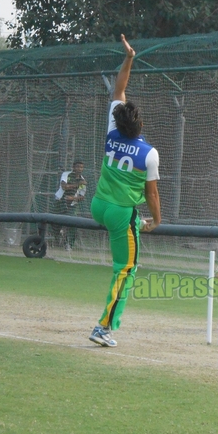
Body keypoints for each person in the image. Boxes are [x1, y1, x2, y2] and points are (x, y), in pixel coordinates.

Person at [88, 34, 161, 347]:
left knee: (123, 257)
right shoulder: (150, 153)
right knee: (126, 269)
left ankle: (105, 325)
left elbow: (119, 88)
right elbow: (151, 194)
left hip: (98, 205)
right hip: (120, 213)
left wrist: (129, 58)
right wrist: (155, 221)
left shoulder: (111, 131)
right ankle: (103, 328)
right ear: (140, 125)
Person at [54, 160, 88, 250]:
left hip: (72, 205)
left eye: (81, 167)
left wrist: (72, 198)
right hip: (60, 201)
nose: (79, 169)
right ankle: (58, 240)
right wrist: (77, 184)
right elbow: (64, 186)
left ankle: (69, 245)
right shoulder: (66, 174)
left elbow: (81, 196)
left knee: (73, 223)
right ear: (73, 167)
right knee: (55, 223)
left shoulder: (82, 180)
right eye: (77, 167)